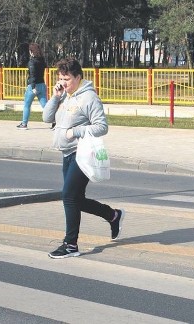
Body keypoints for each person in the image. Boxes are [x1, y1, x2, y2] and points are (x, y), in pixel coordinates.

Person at [42, 57, 125, 259]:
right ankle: (112, 215)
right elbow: (46, 118)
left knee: (68, 196)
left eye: (67, 78)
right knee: (76, 199)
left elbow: (101, 127)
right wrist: (55, 97)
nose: (63, 82)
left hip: (82, 154)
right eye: (60, 78)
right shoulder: (65, 96)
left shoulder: (89, 98)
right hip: (67, 154)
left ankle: (71, 244)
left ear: (78, 77)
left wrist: (76, 132)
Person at [17, 43, 51, 130]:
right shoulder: (42, 60)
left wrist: (32, 87)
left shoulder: (31, 62)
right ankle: (54, 121)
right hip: (42, 84)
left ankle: (24, 124)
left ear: (31, 51)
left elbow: (32, 75)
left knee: (27, 105)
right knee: (45, 105)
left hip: (33, 86)